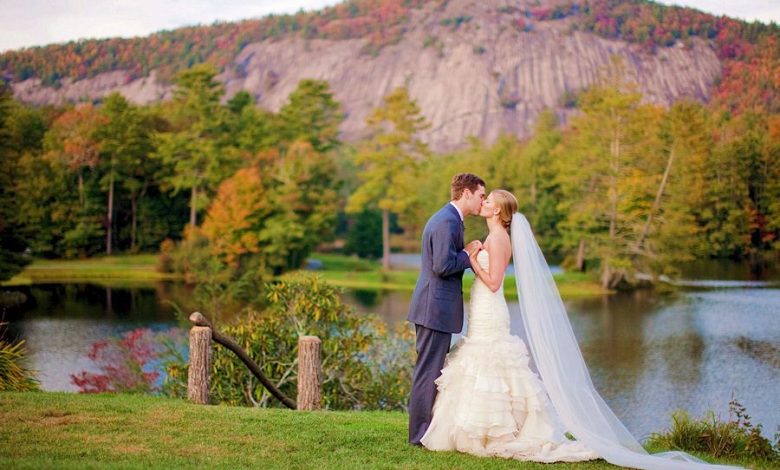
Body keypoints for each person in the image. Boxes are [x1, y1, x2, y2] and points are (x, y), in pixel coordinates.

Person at [419, 189, 742, 470]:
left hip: (491, 305)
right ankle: (474, 430)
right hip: (480, 307)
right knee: (477, 361)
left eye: (489, 200)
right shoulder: (491, 236)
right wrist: (475, 252)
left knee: (492, 362)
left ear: (499, 211)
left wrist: (472, 258)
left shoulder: (500, 239)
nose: (484, 202)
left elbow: (493, 282)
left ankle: (499, 431)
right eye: (483, 198)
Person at [407, 173, 486, 446]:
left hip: (435, 308)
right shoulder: (447, 221)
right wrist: (468, 256)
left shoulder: (450, 219)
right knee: (428, 373)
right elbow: (442, 266)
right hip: (433, 309)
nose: (482, 201)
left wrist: (463, 251)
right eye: (481, 196)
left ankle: (424, 432)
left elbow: (443, 259)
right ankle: (419, 436)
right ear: (466, 193)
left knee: (430, 372)